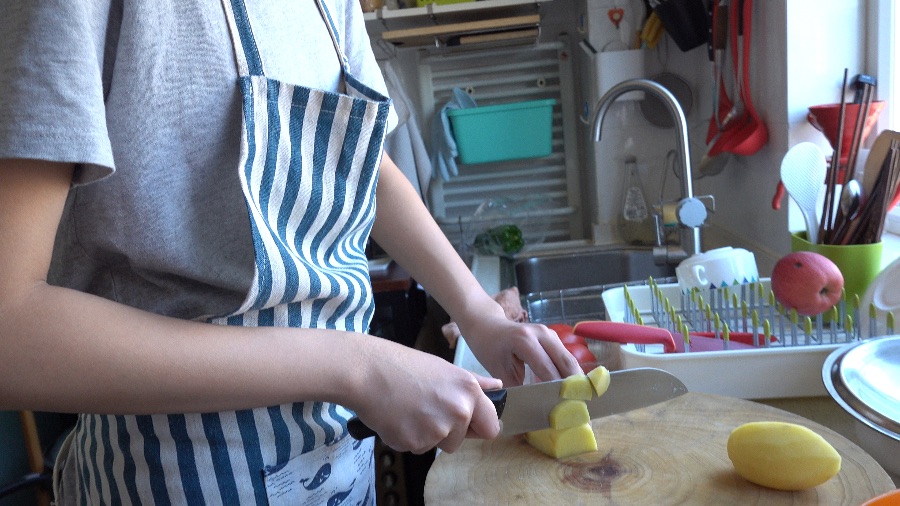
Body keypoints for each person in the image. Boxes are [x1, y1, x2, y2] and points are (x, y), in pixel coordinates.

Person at [0, 0, 581, 504]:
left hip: (339, 460)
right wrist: (356, 367)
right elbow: (11, 334)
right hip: (176, 479)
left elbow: (364, 166)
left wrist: (477, 313)